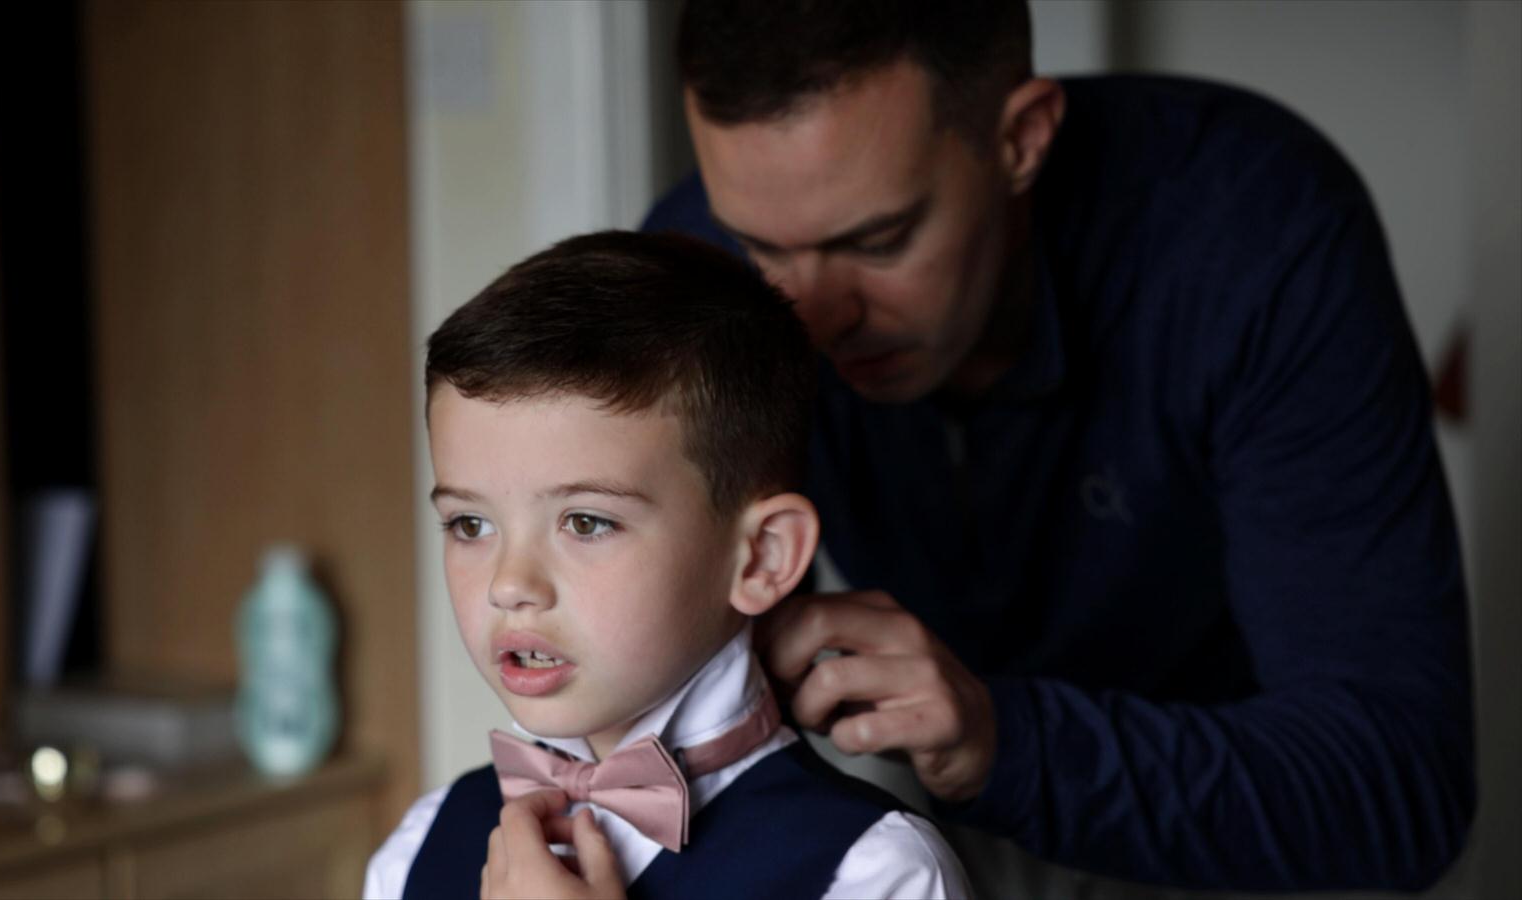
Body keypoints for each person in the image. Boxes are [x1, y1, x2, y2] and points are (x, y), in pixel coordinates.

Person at [643, 0, 1474, 892]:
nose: (811, 323)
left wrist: (1008, 742)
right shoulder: (696, 265)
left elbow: (1399, 787)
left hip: (1238, 822)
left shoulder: (1256, 231)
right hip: (925, 826)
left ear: (1023, 139)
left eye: (878, 241)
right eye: (760, 246)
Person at [363, 231, 973, 900]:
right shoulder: (415, 849)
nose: (510, 584)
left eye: (587, 522)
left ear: (762, 556)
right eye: (469, 524)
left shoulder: (877, 873)